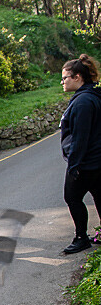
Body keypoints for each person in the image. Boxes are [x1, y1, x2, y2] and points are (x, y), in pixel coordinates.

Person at [60, 54, 101, 254]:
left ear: (77, 77)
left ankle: (81, 237)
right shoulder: (92, 95)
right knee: (99, 196)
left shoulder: (83, 102)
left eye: (65, 77)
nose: (62, 82)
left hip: (85, 163)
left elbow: (80, 138)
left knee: (72, 197)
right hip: (96, 160)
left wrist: (74, 165)